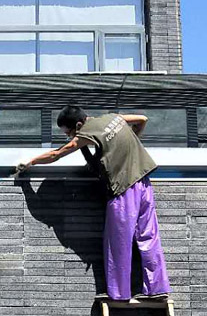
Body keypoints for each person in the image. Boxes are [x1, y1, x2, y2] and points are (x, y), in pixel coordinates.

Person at [16, 106, 171, 302]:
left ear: (78, 125)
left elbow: (57, 154)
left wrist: (31, 162)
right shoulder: (114, 118)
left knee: (118, 242)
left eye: (68, 132)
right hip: (144, 183)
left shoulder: (87, 132)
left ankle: (119, 294)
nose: (69, 137)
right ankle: (157, 289)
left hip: (123, 189)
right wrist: (126, 148)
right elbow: (142, 119)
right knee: (149, 237)